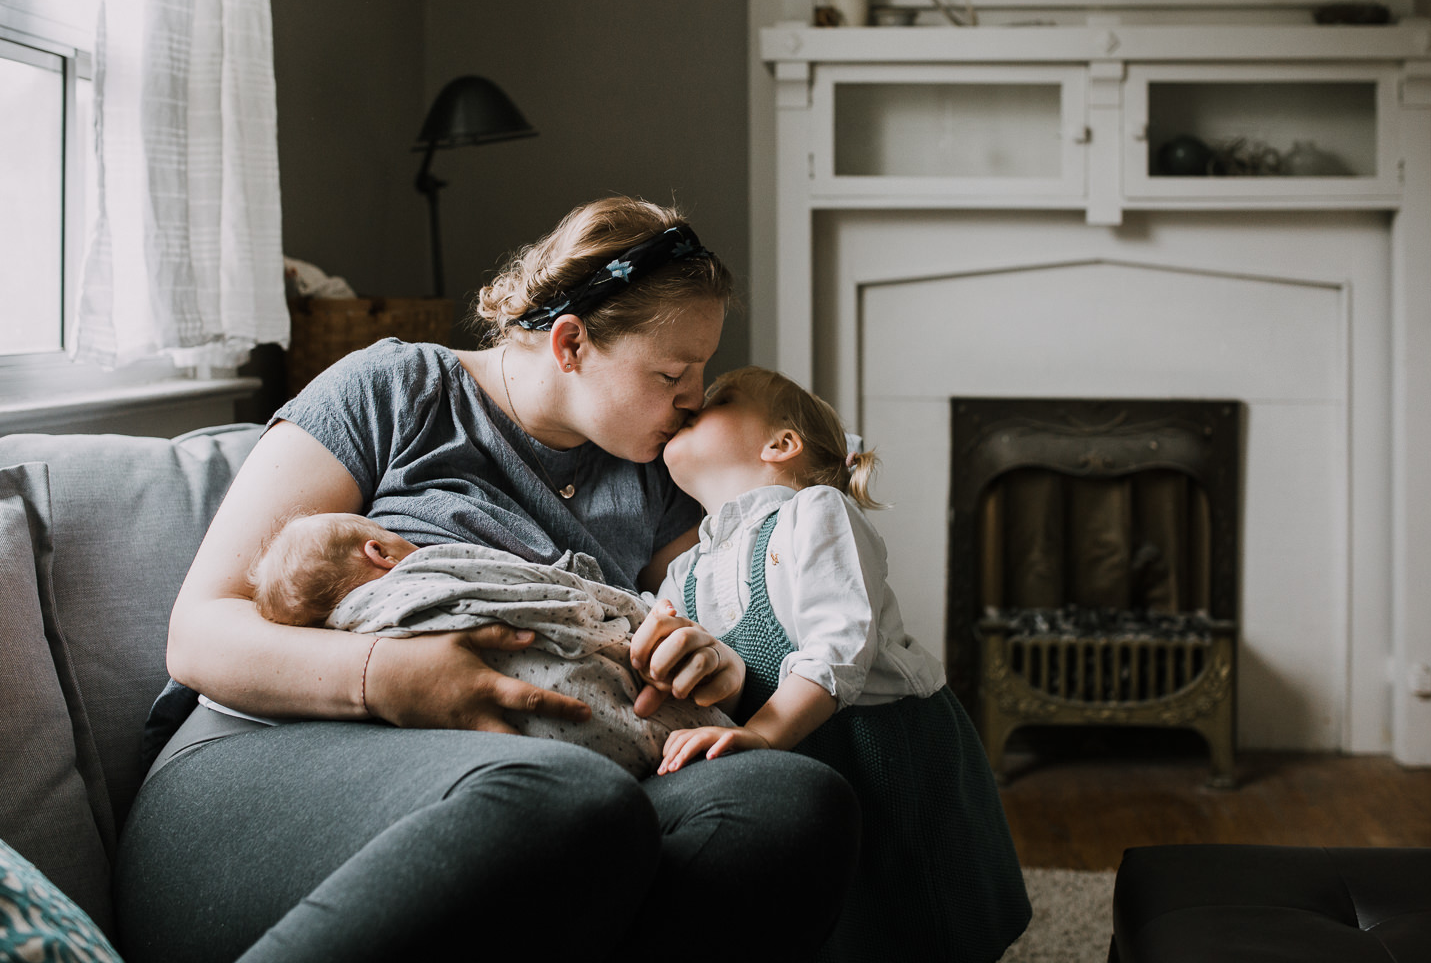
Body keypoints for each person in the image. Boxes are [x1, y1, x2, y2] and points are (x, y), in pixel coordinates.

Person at [115, 198, 860, 963]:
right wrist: (388, 676)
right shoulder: (396, 389)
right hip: (272, 759)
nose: (695, 399)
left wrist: (718, 668)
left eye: (701, 370)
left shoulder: (662, 476)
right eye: (672, 371)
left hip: (537, 778)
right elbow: (199, 631)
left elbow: (717, 640)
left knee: (791, 801)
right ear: (570, 343)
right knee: (569, 799)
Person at [630, 365, 1032, 963]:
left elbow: (843, 639)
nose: (694, 402)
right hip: (795, 758)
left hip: (883, 747)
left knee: (924, 911)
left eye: (718, 399)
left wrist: (762, 733)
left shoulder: (812, 512)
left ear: (781, 444)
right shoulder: (686, 571)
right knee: (841, 920)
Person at [244, 510, 734, 777]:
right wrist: (614, 622)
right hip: (589, 696)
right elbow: (530, 591)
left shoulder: (348, 634)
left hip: (535, 750)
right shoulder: (425, 568)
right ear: (378, 551)